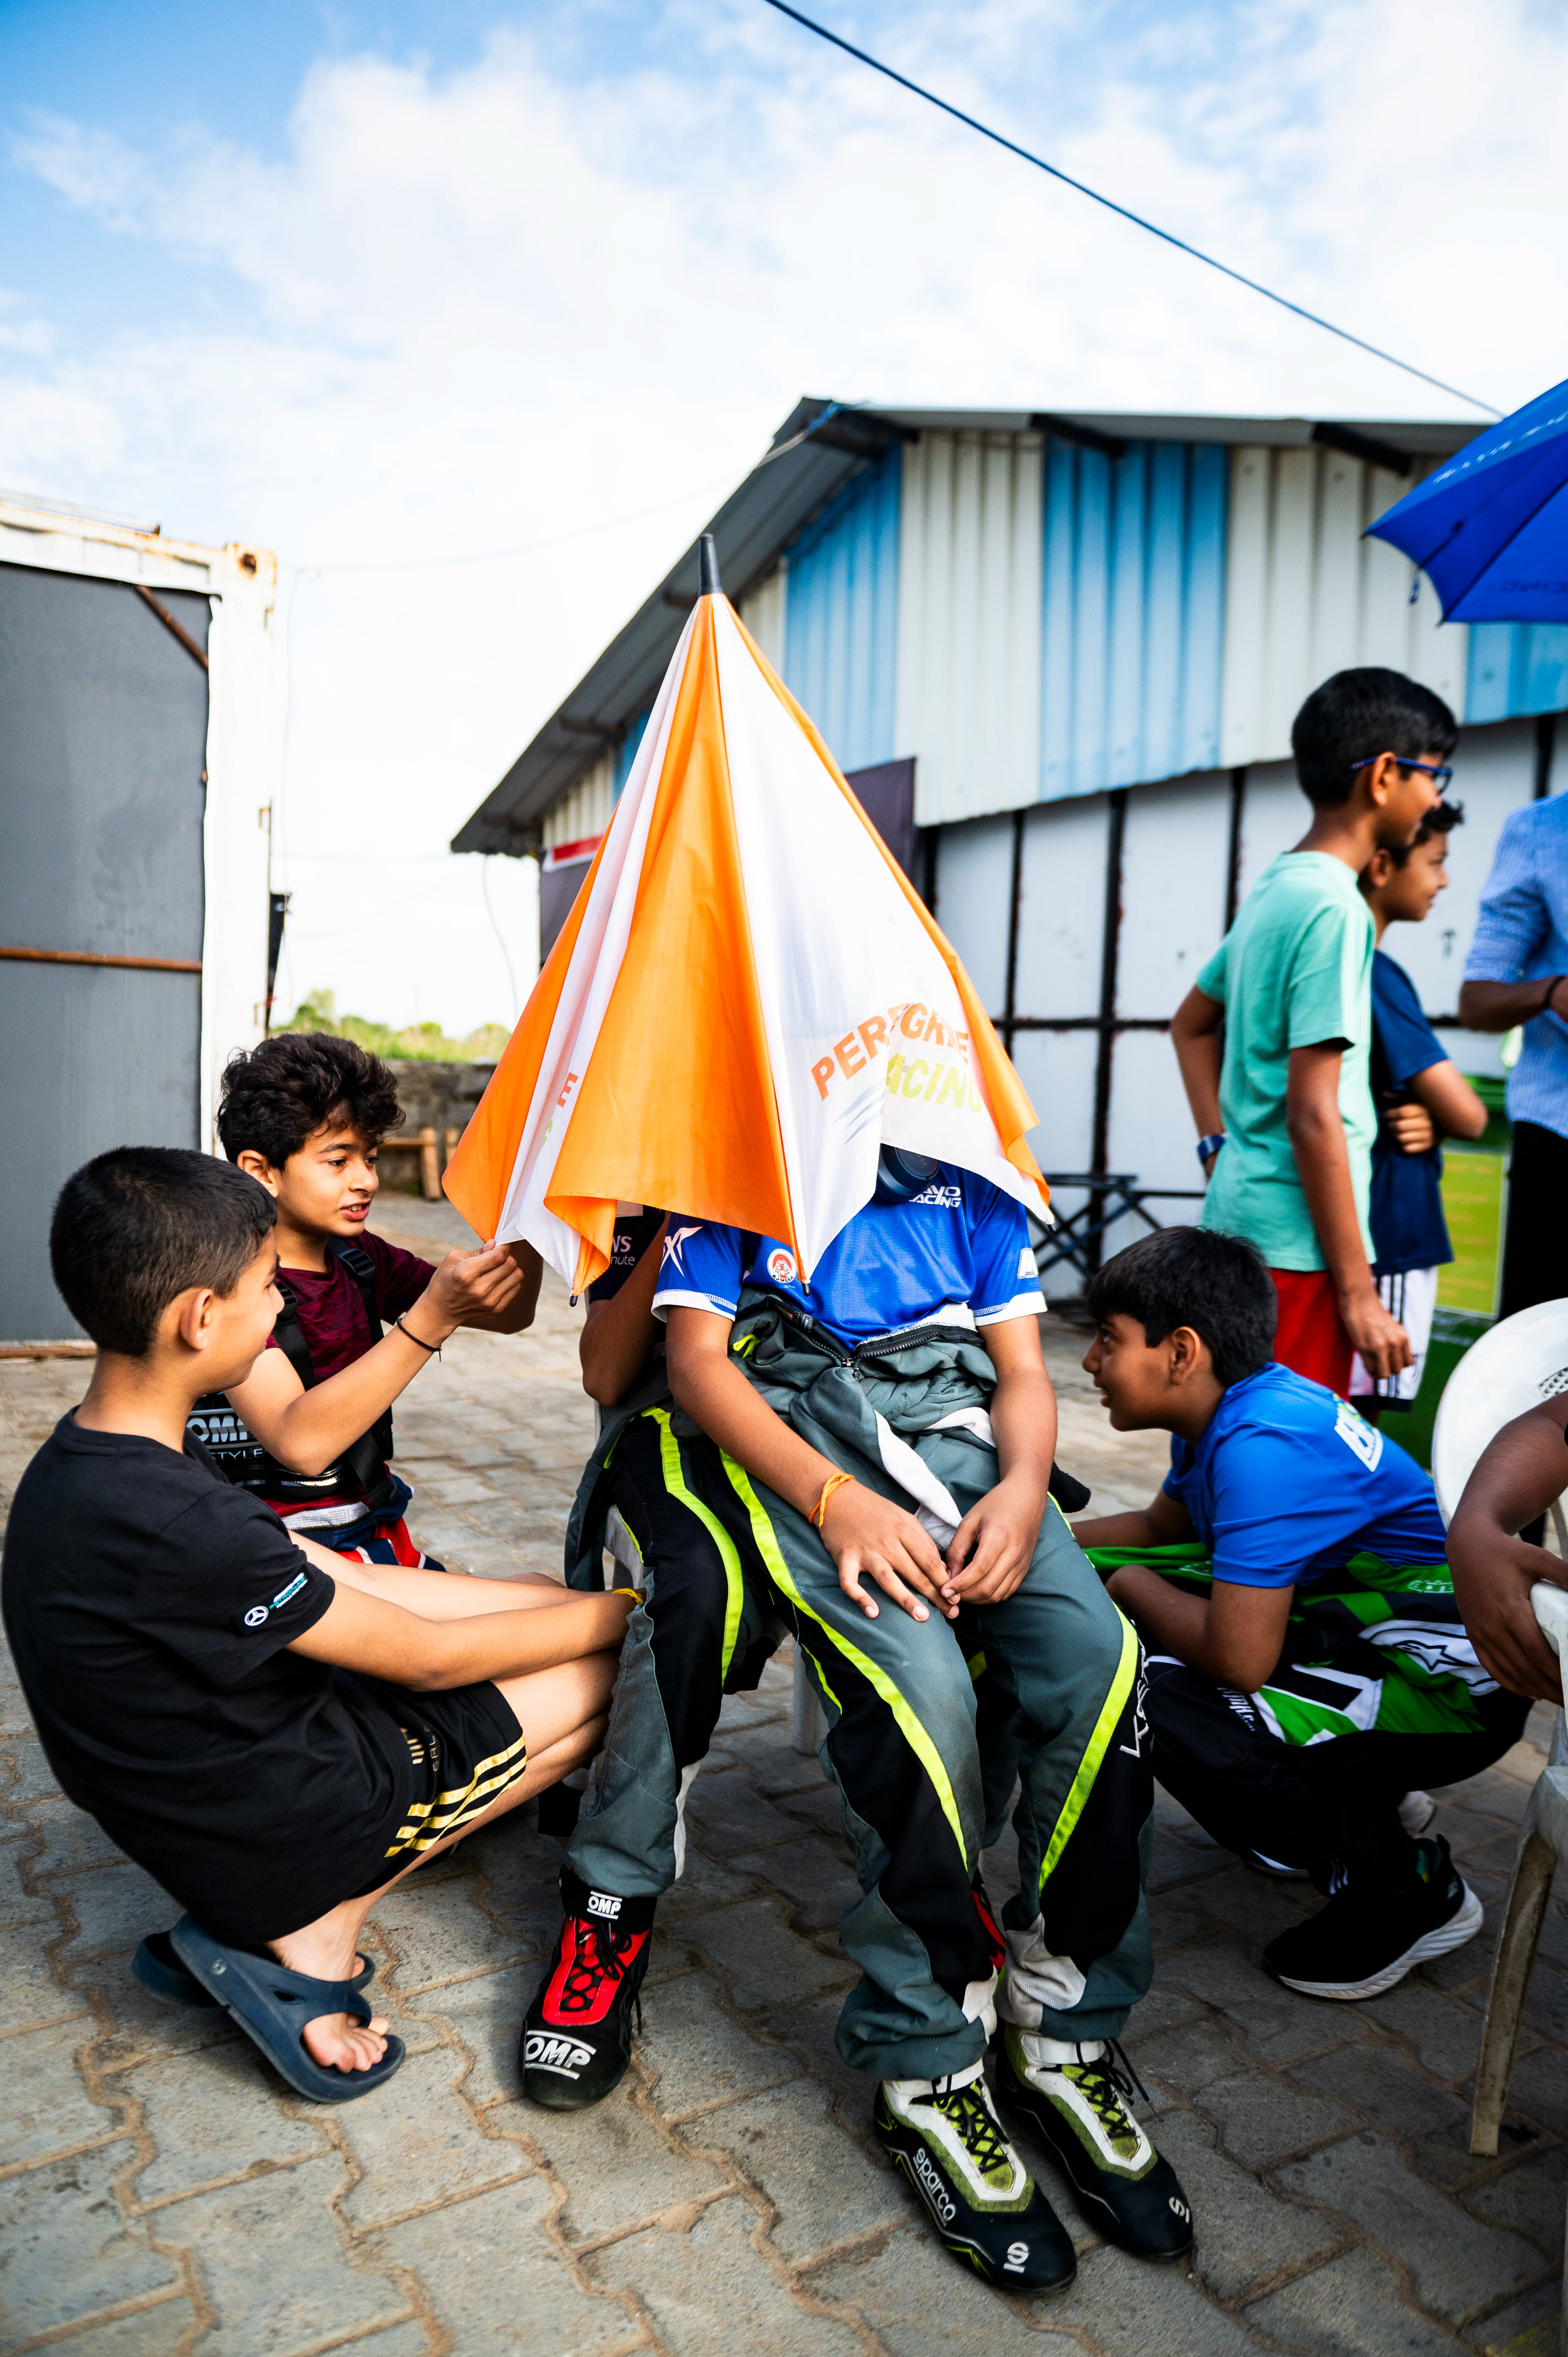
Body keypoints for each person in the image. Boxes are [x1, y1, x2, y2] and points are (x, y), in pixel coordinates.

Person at [525, 1146, 1193, 2294]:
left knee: (1107, 1667)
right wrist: (836, 1498)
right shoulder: (731, 1150)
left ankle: (1066, 2022)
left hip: (956, 1444)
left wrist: (1025, 1485)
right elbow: (670, 1365)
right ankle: (923, 2060)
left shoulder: (972, 1162)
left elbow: (1021, 1369)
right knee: (892, 1689)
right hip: (783, 1440)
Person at [0, 1147, 633, 2102]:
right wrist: (628, 1614)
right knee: (616, 1676)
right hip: (273, 1812)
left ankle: (280, 1906)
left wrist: (563, 1603)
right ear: (199, 1318)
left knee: (544, 1601)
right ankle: (310, 1929)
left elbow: (330, 1570)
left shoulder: (96, 1463)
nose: (280, 1307)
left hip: (186, 1793)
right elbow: (428, 1659)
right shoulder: (188, 1520)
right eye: (268, 1288)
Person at [1072, 1226, 1526, 2001]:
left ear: (1181, 1353)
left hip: (1455, 1696)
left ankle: (1405, 1887)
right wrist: (1033, 1536)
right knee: (1147, 1598)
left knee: (1149, 1683)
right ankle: (1366, 1798)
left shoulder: (1262, 1446)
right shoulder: (1235, 1411)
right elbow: (1154, 1530)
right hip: (1379, 1650)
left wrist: (1126, 1588)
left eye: (1108, 1340)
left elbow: (1239, 1659)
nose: (1089, 1362)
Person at [1171, 667, 1454, 1394]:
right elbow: (1314, 1112)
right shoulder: (1336, 909)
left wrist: (1215, 1145)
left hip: (1239, 1222)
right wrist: (1359, 1294)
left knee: (1225, 1436)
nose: (1437, 798)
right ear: (1385, 776)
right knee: (1278, 1448)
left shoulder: (1280, 884)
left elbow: (1190, 1026)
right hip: (1297, 1252)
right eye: (1435, 775)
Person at [197, 1033, 540, 1568]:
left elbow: (509, 1313)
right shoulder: (231, 1282)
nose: (367, 1180)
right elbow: (301, 1445)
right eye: (338, 1161)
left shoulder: (359, 1257)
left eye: (371, 1158)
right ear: (261, 1171)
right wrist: (433, 1316)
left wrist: (529, 1205)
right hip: (280, 1548)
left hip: (373, 1521)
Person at [1349, 803, 1488, 1407]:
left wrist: (1425, 1117)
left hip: (1361, 1230)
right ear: (1383, 866)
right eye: (1435, 863)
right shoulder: (1375, 972)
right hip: (1391, 1232)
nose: (1445, 881)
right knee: (1363, 1413)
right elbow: (1470, 1115)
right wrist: (1441, 1116)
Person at [1458, 790, 1568, 1318]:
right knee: (1542, 1347)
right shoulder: (1541, 831)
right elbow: (1476, 1001)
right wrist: (1551, 992)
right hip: (1558, 1138)